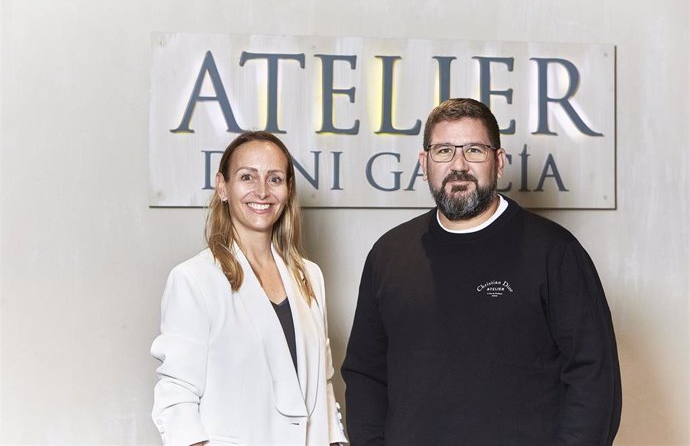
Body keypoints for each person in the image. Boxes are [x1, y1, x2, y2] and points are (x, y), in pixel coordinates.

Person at [341, 98, 622, 445]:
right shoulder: (389, 255)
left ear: (499, 162)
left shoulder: (555, 252)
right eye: (443, 151)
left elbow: (593, 377)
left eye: (474, 150)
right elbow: (365, 373)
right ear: (424, 163)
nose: (459, 165)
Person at [151, 131, 348, 446]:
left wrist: (338, 440)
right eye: (247, 177)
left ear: (287, 189)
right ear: (222, 186)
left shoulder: (310, 277)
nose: (262, 191)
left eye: (274, 179)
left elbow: (323, 386)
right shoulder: (193, 279)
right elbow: (177, 397)